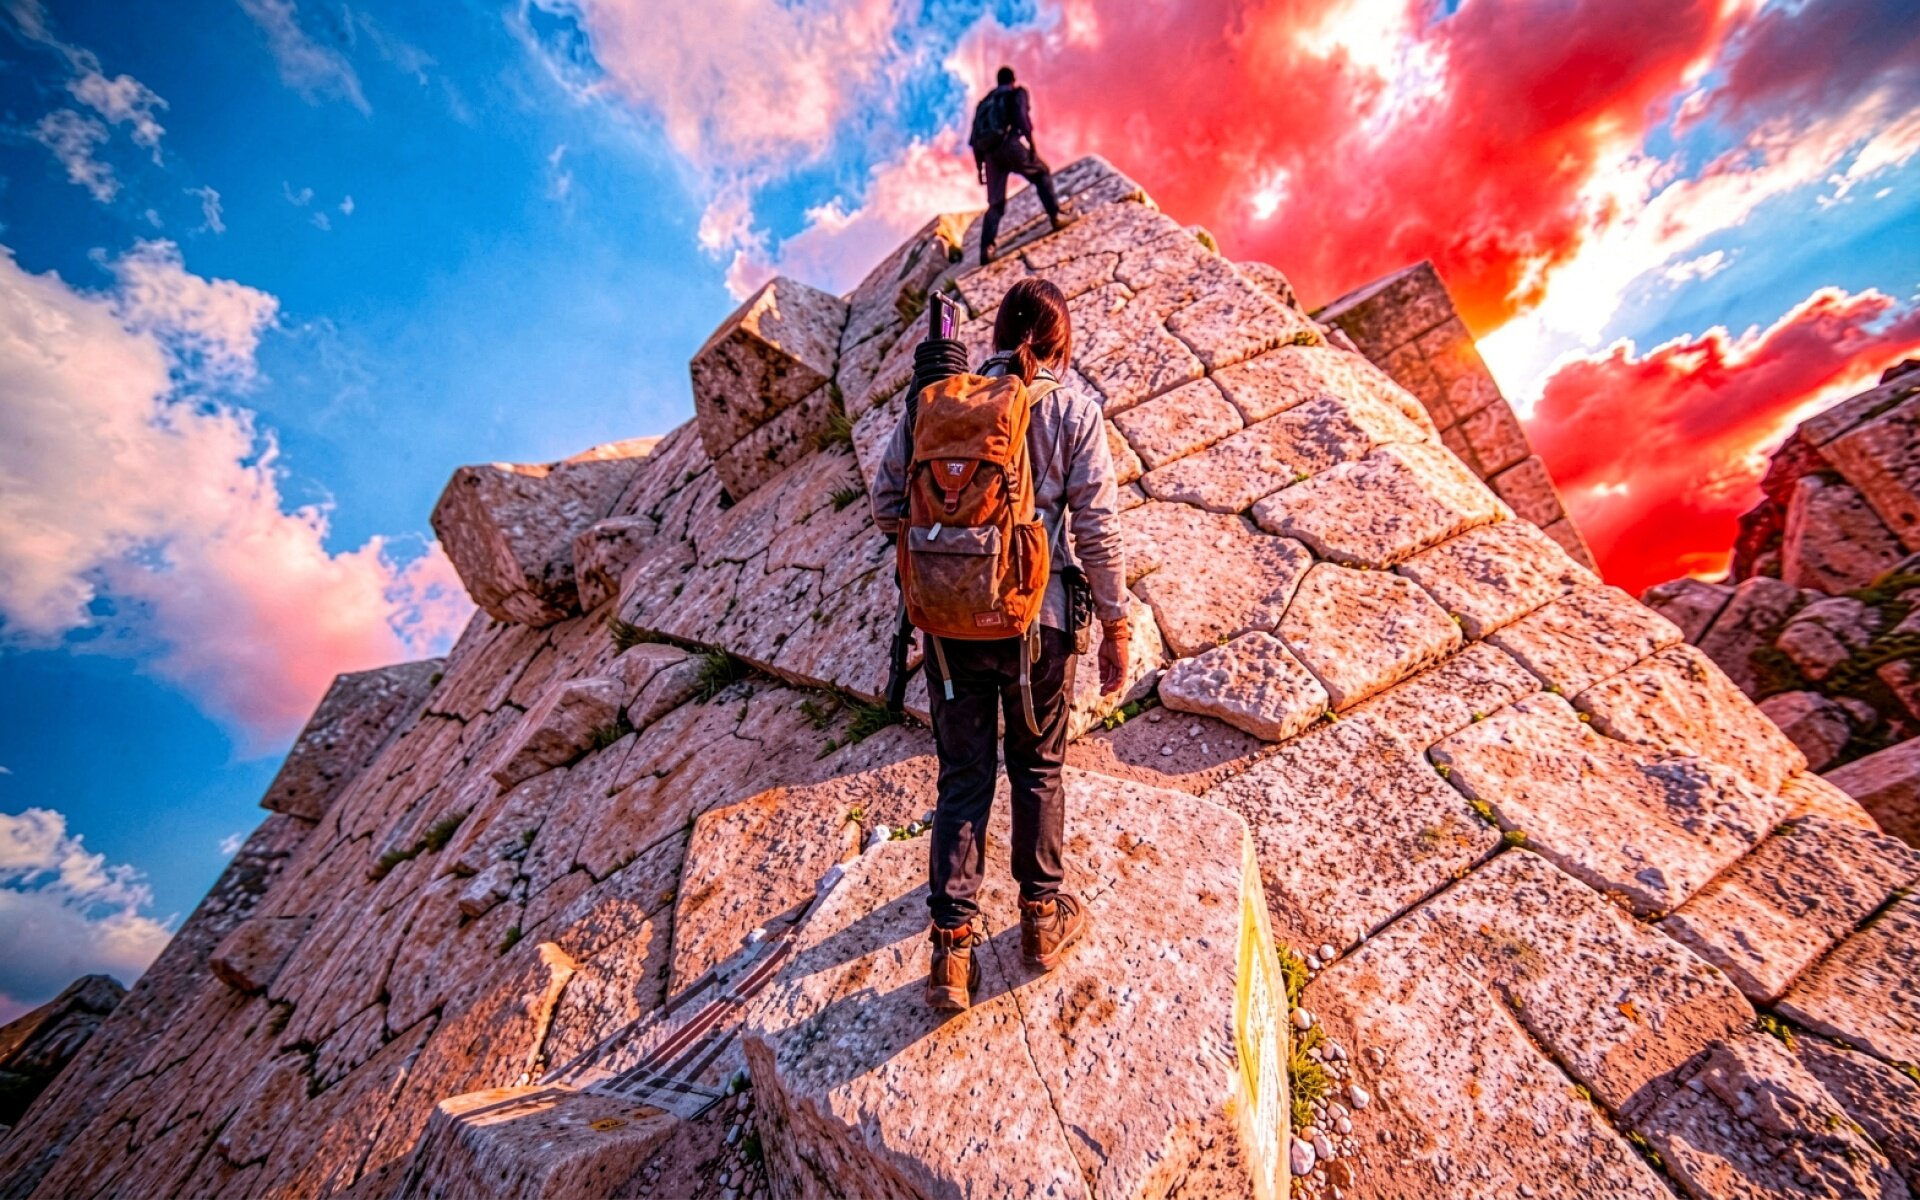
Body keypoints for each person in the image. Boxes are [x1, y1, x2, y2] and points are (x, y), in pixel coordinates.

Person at [870, 278, 1130, 1012]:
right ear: (1060, 347)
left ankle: (952, 952)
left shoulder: (935, 403)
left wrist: (952, 554)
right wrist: (1116, 625)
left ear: (994, 338)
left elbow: (886, 505)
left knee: (964, 774)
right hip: (1039, 624)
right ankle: (1040, 921)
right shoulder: (1073, 411)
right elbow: (1097, 529)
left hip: (949, 629)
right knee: (1037, 766)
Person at [970, 65, 1076, 265]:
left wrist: (979, 168)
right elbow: (1021, 118)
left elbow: (975, 139)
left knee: (995, 203)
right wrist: (1031, 144)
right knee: (1041, 172)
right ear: (1012, 79)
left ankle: (987, 249)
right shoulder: (1016, 93)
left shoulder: (984, 104)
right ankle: (1056, 215)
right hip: (1009, 145)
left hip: (990, 156)